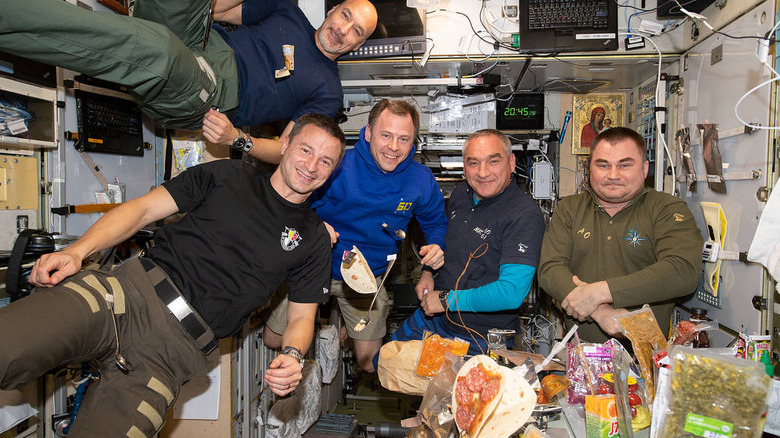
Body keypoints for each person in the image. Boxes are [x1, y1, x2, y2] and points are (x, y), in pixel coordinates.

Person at [0, 114, 345, 437]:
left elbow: (302, 316)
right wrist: (78, 251)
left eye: (325, 162)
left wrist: (293, 355)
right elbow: (143, 209)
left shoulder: (314, 239)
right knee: (9, 345)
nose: (312, 166)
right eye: (305, 150)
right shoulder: (227, 174)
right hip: (123, 298)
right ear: (285, 145)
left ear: (331, 172)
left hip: (171, 356)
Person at [0, 0, 377, 163]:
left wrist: (236, 139)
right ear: (332, 9)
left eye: (356, 31)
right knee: (163, 36)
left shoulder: (327, 91)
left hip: (213, 91)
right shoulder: (288, 12)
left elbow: (288, 150)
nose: (343, 30)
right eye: (345, 16)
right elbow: (218, 10)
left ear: (359, 44)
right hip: (203, 40)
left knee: (159, 50)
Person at [263, 99, 448, 373]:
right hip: (315, 265)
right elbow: (290, 204)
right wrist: (313, 226)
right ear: (369, 133)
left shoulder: (420, 180)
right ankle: (317, 321)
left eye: (404, 139)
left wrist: (433, 253)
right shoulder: (338, 166)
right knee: (273, 339)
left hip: (366, 277)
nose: (394, 147)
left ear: (413, 142)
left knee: (369, 364)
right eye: (386, 135)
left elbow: (435, 221)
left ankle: (345, 329)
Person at [384, 129, 545, 362]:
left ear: (511, 163)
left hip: (480, 336)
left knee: (449, 397)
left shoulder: (524, 214)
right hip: (435, 319)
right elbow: (449, 243)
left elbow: (510, 293)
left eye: (493, 161)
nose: (482, 172)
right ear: (464, 166)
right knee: (387, 363)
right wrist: (429, 272)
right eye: (473, 163)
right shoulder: (462, 193)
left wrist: (444, 300)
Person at [538, 127, 703, 343]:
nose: (613, 175)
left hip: (647, 357)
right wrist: (600, 311)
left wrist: (600, 292)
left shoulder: (666, 209)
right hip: (581, 356)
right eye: (603, 165)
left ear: (644, 169)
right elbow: (550, 270)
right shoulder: (570, 209)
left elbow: (682, 271)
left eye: (624, 165)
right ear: (590, 169)